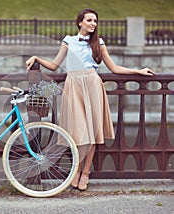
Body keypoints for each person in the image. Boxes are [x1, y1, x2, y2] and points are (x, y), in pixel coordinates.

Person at [26, 8, 154, 191]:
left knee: (92, 132)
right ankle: (76, 171)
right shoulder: (68, 41)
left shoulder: (98, 43)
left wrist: (137, 71)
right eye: (89, 20)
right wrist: (36, 58)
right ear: (80, 22)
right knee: (78, 132)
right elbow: (54, 66)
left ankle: (84, 173)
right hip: (73, 86)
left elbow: (114, 68)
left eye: (95, 21)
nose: (93, 23)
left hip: (92, 84)